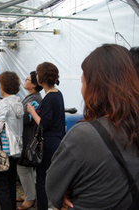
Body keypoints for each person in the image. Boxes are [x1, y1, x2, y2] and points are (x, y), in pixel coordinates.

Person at [46, 44, 139, 210]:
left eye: (83, 82)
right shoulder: (132, 127)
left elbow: (53, 188)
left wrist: (68, 189)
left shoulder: (84, 134)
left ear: (96, 87)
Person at [27, 62, 65, 210]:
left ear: (41, 78)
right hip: (56, 142)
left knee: (42, 179)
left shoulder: (49, 98)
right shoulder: (57, 94)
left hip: (48, 144)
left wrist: (32, 111)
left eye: (37, 73)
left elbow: (44, 124)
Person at [0, 71, 24, 210]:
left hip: (2, 151)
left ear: (3, 86)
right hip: (14, 149)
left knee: (1, 186)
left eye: (0, 84)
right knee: (11, 183)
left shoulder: (4, 103)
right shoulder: (18, 101)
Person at [16, 71, 43, 210]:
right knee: (27, 168)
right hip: (26, 136)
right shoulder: (31, 96)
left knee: (24, 167)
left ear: (34, 84)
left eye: (27, 79)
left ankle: (30, 198)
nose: (24, 81)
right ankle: (29, 194)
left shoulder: (35, 99)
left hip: (29, 136)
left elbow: (26, 118)